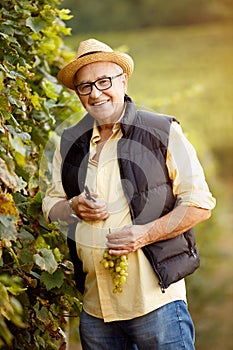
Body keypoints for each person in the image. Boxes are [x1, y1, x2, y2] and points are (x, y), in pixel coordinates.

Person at [42, 38, 216, 350]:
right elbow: (50, 205)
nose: (95, 93)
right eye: (85, 86)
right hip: (96, 309)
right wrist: (73, 206)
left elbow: (200, 203)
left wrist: (144, 234)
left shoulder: (162, 131)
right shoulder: (69, 142)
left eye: (104, 81)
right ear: (78, 93)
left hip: (156, 303)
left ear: (123, 80)